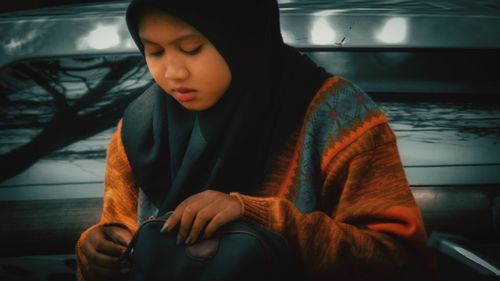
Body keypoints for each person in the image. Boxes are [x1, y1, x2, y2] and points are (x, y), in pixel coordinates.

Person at [76, 0, 434, 280]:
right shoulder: (139, 129)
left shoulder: (338, 117)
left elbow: (399, 263)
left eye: (191, 48)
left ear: (241, 37)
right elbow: (122, 234)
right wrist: (98, 254)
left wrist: (262, 217)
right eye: (154, 51)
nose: (173, 72)